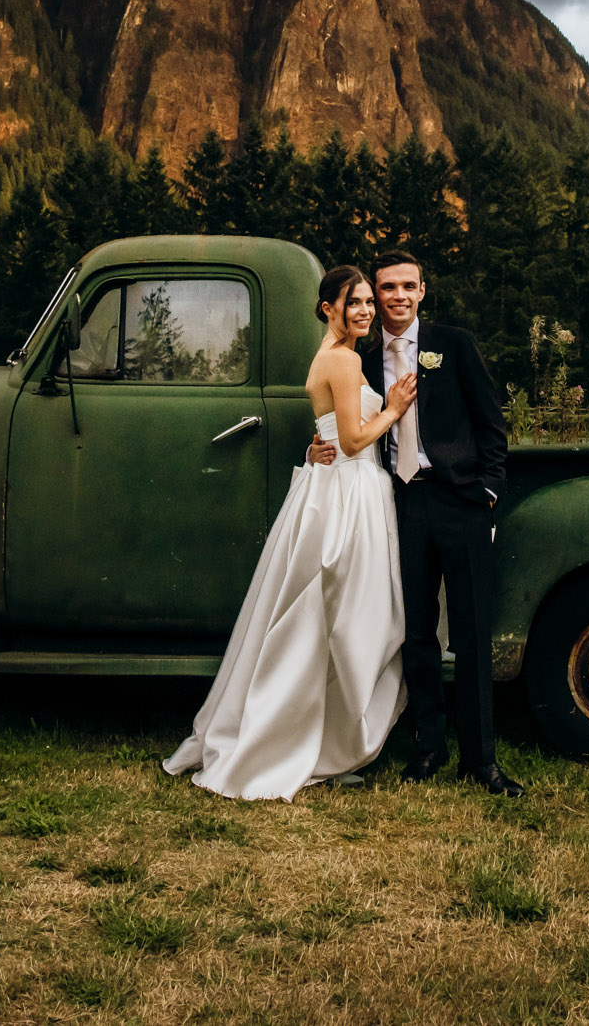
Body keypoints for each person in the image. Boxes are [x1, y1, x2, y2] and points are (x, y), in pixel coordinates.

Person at [163, 266, 418, 800]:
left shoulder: (328, 357)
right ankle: (321, 741)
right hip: (349, 493)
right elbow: (350, 441)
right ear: (329, 308)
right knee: (350, 620)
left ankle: (317, 735)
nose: (367, 310)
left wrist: (314, 447)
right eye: (355, 303)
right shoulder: (345, 360)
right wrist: (393, 410)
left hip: (328, 487)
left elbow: (328, 431)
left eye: (370, 301)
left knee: (325, 619)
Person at [310, 250, 521, 796]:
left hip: (462, 501)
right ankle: (428, 747)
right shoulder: (362, 354)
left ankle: (482, 761)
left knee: (471, 632)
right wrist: (321, 444)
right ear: (374, 296)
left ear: (422, 291)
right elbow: (345, 419)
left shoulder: (454, 344)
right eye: (386, 288)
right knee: (417, 631)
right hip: (400, 504)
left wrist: (489, 490)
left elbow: (492, 423)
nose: (397, 296)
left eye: (408, 286)